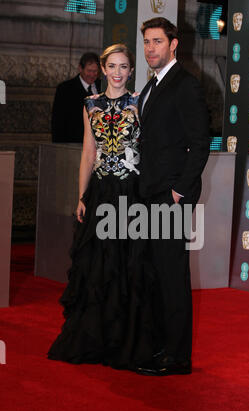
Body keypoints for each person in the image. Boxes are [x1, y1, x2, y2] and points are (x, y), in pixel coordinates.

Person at [48, 44, 156, 370]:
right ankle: (95, 338)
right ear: (103, 68)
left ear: (131, 70)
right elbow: (87, 153)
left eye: (124, 66)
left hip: (131, 193)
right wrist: (81, 196)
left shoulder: (139, 102)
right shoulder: (90, 104)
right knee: (97, 265)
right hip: (100, 193)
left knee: (127, 264)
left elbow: (148, 151)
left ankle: (125, 338)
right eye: (113, 66)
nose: (118, 72)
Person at [136, 17, 210, 376]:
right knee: (153, 273)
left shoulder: (186, 85)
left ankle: (177, 356)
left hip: (170, 197)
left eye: (157, 42)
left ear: (174, 44)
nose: (151, 48)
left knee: (171, 275)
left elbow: (200, 143)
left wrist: (179, 192)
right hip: (148, 194)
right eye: (147, 42)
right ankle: (159, 347)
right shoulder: (151, 86)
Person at [51, 52, 101, 143]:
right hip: (74, 143)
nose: (92, 75)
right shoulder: (65, 89)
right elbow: (58, 122)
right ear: (80, 69)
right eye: (89, 71)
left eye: (95, 71)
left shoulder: (102, 87)